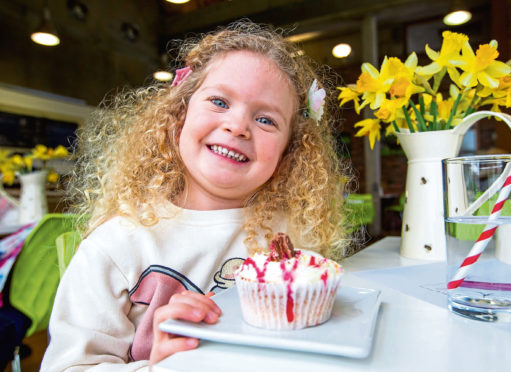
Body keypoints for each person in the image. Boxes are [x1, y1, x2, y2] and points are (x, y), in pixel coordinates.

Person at [40, 20, 351, 371]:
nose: (237, 126)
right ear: (177, 120)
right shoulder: (118, 243)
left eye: (266, 120)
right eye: (219, 101)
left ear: (287, 155)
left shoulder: (292, 239)